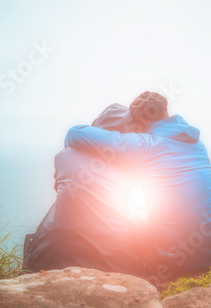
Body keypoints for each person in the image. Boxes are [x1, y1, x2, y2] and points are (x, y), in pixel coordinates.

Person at [65, 91, 211, 279]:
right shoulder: (197, 144)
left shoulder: (144, 145)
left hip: (176, 258)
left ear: (139, 122)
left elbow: (75, 132)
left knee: (130, 226)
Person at [23, 104, 144, 275]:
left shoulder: (64, 155)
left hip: (51, 255)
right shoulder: (132, 164)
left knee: (59, 208)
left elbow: (66, 192)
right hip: (113, 260)